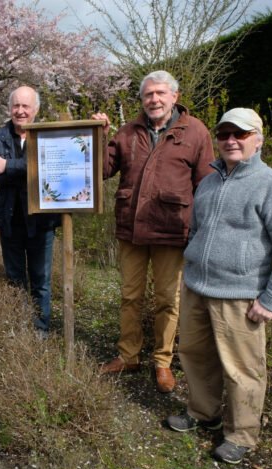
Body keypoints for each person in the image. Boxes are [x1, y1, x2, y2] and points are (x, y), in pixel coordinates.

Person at [166, 108, 272, 464]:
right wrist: (193, 259)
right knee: (195, 357)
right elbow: (198, 229)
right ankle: (203, 413)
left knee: (242, 368)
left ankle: (242, 435)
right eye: (225, 133)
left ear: (258, 140)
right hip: (198, 287)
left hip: (240, 296)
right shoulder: (209, 182)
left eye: (241, 134)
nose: (231, 140)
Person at [92, 70, 214, 393]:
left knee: (167, 300)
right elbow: (102, 169)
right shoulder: (128, 131)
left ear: (174, 96)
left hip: (172, 229)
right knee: (130, 295)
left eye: (160, 93)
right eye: (148, 95)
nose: (154, 100)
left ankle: (162, 361)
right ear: (142, 100)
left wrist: (202, 230)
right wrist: (99, 136)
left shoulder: (196, 132)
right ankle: (128, 355)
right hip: (131, 228)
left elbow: (206, 185)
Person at [0, 86, 60, 334]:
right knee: (15, 280)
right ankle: (19, 330)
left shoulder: (47, 136)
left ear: (35, 110)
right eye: (16, 106)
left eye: (25, 106)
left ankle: (40, 330)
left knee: (41, 281)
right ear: (10, 108)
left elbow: (49, 171)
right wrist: (28, 170)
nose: (20, 111)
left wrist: (8, 166)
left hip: (41, 222)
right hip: (9, 220)